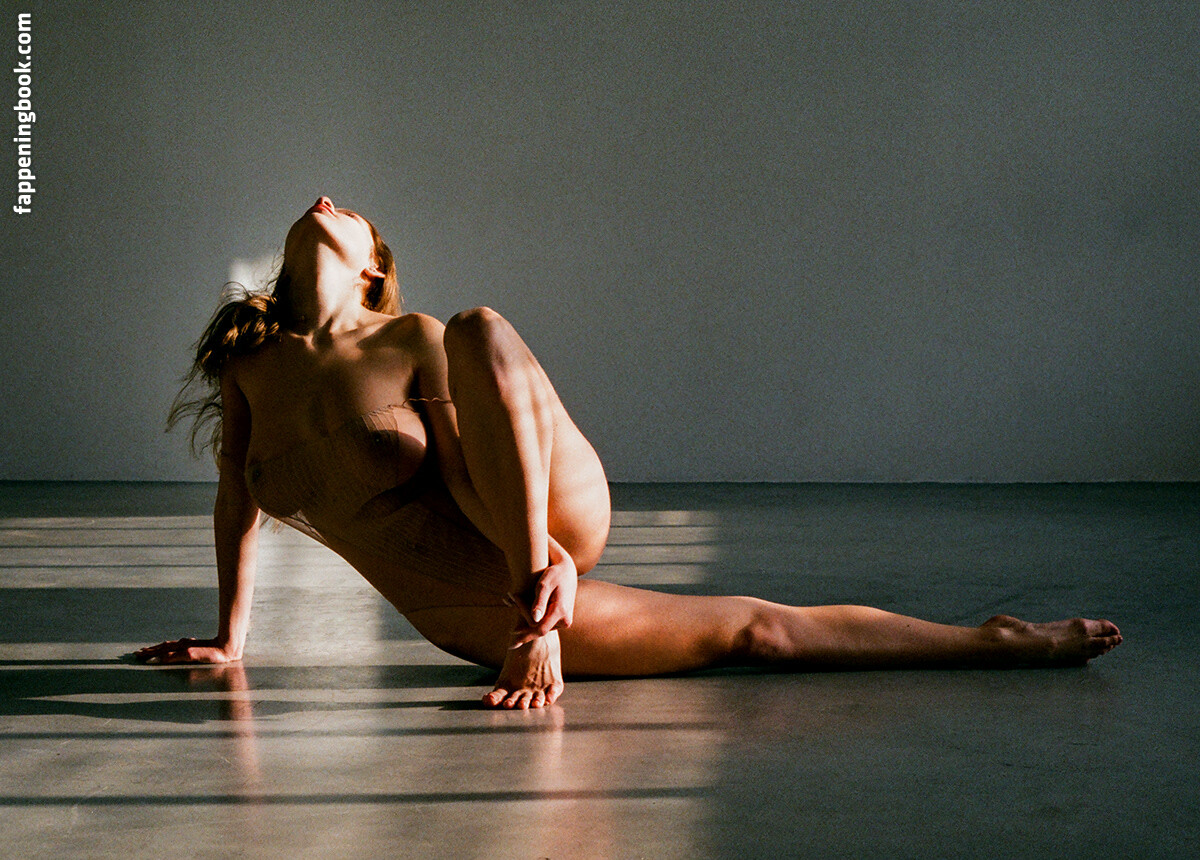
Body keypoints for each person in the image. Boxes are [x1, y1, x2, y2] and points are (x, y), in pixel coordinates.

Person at [135, 197, 1123, 709]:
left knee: (479, 326)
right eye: (321, 200)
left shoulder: (412, 336)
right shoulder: (250, 365)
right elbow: (236, 503)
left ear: (371, 266)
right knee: (757, 634)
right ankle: (995, 637)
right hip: (461, 605)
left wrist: (543, 582)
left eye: (350, 210)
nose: (326, 199)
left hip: (541, 515)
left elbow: (470, 467)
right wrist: (231, 637)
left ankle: (540, 593)